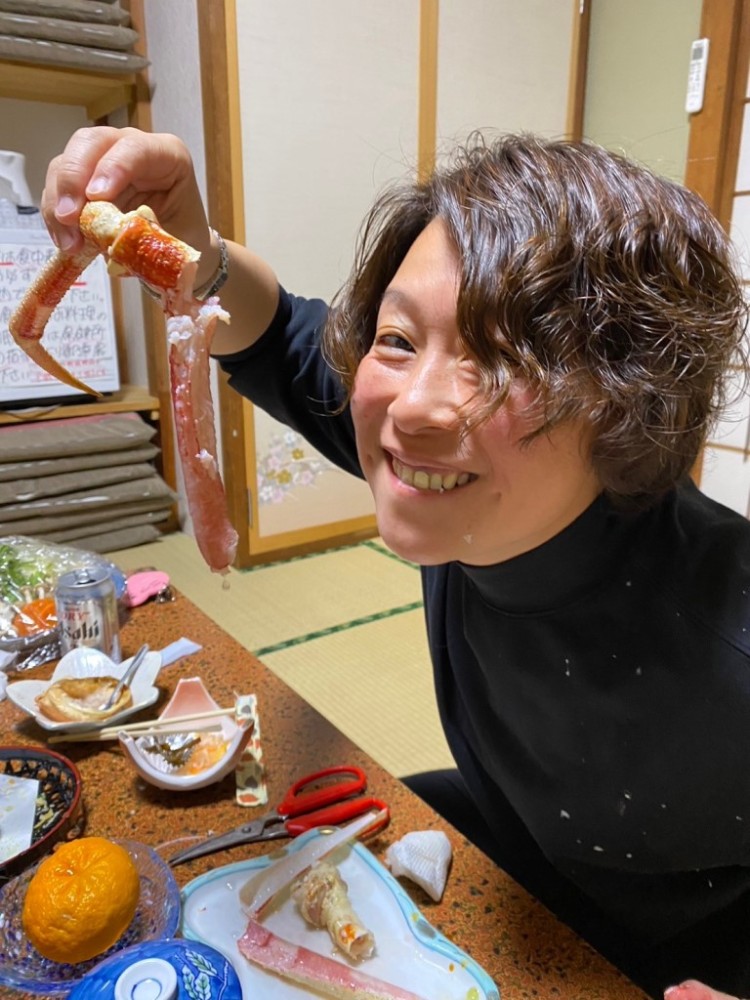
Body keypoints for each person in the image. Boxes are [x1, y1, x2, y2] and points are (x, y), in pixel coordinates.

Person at [41, 126, 750, 999]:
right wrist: (192, 251)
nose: (410, 408)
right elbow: (281, 336)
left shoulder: (727, 644)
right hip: (516, 852)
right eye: (400, 339)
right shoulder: (450, 477)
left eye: (503, 360)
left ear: (631, 407)